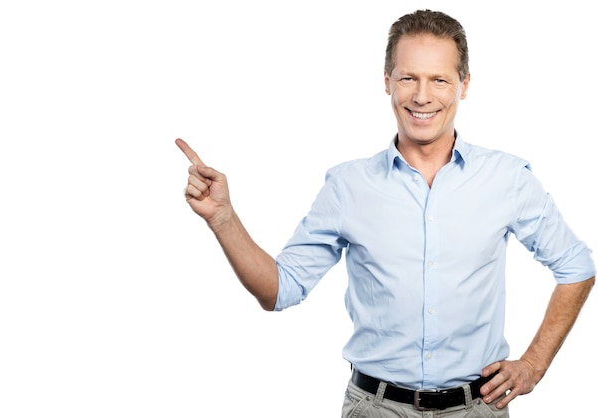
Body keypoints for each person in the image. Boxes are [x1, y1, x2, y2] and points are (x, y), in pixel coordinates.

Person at [175, 9, 595, 418]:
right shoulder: (348, 186)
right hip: (376, 409)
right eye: (408, 77)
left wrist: (534, 364)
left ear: (464, 85)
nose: (422, 95)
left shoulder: (507, 178)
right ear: (387, 81)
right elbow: (279, 289)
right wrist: (224, 219)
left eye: (440, 80)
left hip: (477, 409)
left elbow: (576, 266)